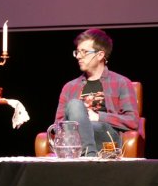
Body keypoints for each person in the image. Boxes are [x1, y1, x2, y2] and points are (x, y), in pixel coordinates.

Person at [54, 28, 140, 157]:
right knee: (75, 105)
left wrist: (98, 117)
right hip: (73, 138)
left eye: (84, 52)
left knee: (88, 123)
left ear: (100, 55)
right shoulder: (69, 87)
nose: (78, 56)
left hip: (104, 135)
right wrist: (80, 120)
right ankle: (89, 155)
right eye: (77, 52)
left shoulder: (121, 82)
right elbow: (57, 125)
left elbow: (132, 121)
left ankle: (87, 155)